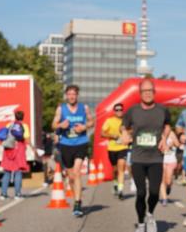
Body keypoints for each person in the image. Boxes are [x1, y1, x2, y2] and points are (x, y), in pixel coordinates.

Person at [122, 77, 171, 232]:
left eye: (150, 90)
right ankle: (141, 224)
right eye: (144, 91)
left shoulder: (162, 110)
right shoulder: (133, 111)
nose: (147, 93)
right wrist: (124, 134)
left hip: (156, 157)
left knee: (155, 192)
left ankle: (150, 214)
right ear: (140, 93)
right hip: (138, 157)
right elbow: (124, 125)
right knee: (141, 193)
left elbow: (167, 125)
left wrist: (164, 138)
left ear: (154, 92)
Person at [52, 85, 94, 217]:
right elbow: (53, 124)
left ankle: (77, 203)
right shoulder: (61, 108)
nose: (71, 96)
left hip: (81, 143)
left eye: (74, 94)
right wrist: (60, 125)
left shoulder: (84, 108)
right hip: (66, 144)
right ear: (66, 95)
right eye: (69, 94)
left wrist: (84, 126)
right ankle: (76, 196)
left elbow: (91, 122)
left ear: (77, 95)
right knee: (70, 177)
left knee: (76, 172)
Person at [0, 110, 36, 200]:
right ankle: (17, 194)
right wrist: (33, 148)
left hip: (8, 149)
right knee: (18, 172)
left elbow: (4, 136)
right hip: (19, 149)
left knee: (7, 171)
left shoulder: (9, 125)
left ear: (15, 116)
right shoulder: (24, 126)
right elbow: (27, 139)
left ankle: (3, 194)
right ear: (23, 117)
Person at [101, 102, 131, 199]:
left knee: (121, 168)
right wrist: (112, 135)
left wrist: (127, 132)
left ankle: (120, 190)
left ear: (123, 111)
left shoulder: (126, 121)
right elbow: (102, 133)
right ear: (114, 111)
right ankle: (115, 182)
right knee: (115, 170)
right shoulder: (109, 121)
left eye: (120, 110)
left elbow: (132, 130)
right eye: (117, 110)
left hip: (123, 147)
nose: (119, 111)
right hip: (112, 148)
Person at [160, 126, 181, 205]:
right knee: (162, 179)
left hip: (171, 160)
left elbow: (178, 144)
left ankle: (168, 187)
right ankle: (164, 198)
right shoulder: (158, 133)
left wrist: (172, 144)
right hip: (161, 160)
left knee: (168, 180)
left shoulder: (172, 134)